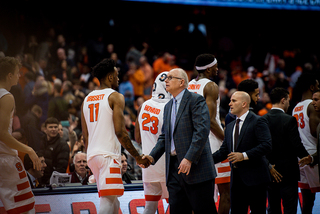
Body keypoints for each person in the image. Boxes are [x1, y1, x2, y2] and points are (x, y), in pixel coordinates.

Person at [141, 68, 218, 214]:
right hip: (174, 169)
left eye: (170, 77)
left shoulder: (196, 100)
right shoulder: (168, 106)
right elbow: (165, 137)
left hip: (196, 168)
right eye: (166, 78)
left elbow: (201, 132)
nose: (166, 80)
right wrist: (151, 157)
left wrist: (189, 158)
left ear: (181, 82)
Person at [81, 58, 150, 214]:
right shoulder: (115, 96)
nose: (119, 78)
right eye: (117, 75)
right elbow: (121, 132)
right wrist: (138, 156)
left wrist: (91, 157)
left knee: (114, 200)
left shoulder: (86, 99)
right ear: (110, 77)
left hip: (92, 155)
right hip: (107, 155)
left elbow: (85, 136)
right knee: (107, 200)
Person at [212, 91, 272, 214]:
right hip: (236, 179)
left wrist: (244, 155)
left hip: (256, 179)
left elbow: (266, 145)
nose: (229, 104)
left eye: (233, 101)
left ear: (244, 104)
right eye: (230, 101)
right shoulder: (229, 126)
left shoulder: (258, 121)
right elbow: (223, 151)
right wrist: (205, 161)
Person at [188, 54, 230, 214]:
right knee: (225, 193)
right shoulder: (211, 86)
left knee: (198, 196)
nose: (217, 68)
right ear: (208, 68)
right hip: (213, 143)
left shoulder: (189, 85)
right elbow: (211, 120)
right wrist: (228, 141)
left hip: (195, 144)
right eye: (215, 66)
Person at [0, 56, 41, 214]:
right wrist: (29, 150)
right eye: (18, 73)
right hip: (5, 159)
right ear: (9, 75)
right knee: (25, 207)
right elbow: (2, 134)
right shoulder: (6, 96)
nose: (20, 76)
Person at [263, 87, 312, 214]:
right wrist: (310, 159)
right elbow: (297, 145)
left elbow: (261, 147)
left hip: (270, 171)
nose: (289, 104)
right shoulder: (289, 119)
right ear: (283, 100)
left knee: (273, 208)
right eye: (288, 101)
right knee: (290, 208)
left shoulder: (262, 119)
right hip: (288, 172)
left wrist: (268, 166)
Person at [135, 71, 171, 214]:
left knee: (150, 206)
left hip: (147, 164)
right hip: (166, 164)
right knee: (175, 204)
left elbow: (138, 138)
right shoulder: (170, 106)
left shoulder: (144, 105)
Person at [291, 72, 320, 214]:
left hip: (300, 157)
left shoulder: (296, 107)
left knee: (307, 199)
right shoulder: (312, 105)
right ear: (312, 87)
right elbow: (315, 131)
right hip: (313, 155)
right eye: (318, 86)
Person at [41, 117, 70, 185]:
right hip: (41, 180)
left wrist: (50, 182)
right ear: (45, 129)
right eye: (51, 127)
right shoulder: (41, 141)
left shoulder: (62, 145)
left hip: (53, 184)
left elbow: (61, 169)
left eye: (55, 127)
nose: (53, 129)